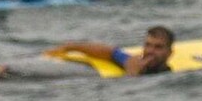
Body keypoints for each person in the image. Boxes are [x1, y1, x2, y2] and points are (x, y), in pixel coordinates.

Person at [43, 26, 175, 76]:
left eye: (158, 47)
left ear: (170, 53)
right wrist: (71, 47)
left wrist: (133, 76)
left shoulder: (168, 77)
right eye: (148, 45)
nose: (151, 51)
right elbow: (111, 52)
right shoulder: (133, 62)